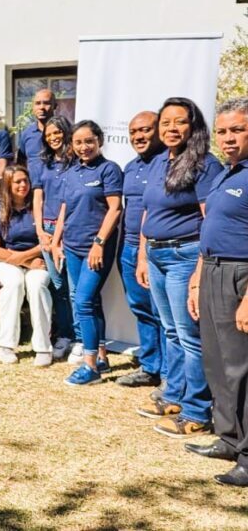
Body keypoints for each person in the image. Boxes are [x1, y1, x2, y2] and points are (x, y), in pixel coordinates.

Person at [136, 98, 221, 437]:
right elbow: (148, 212)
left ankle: (197, 411)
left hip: (184, 256)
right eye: (166, 122)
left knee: (189, 336)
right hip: (156, 254)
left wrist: (199, 273)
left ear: (193, 126)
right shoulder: (159, 161)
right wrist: (143, 256)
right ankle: (173, 395)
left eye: (180, 122)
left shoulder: (204, 165)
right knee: (170, 330)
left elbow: (210, 221)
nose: (172, 128)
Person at [188, 97, 248, 486]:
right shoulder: (226, 173)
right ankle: (228, 438)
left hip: (240, 277)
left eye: (237, 130)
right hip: (212, 270)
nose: (228, 138)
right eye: (222, 131)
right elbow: (209, 230)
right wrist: (197, 278)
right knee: (216, 362)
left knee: (240, 369)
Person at [51, 120, 123, 386]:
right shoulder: (71, 172)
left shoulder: (109, 169)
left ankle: (90, 366)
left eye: (89, 141)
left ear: (99, 141)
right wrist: (56, 242)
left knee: (82, 302)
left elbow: (115, 208)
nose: (84, 147)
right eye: (78, 142)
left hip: (96, 248)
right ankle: (101, 357)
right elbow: (64, 209)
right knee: (90, 301)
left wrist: (99, 243)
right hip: (72, 246)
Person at [115, 111, 166, 388]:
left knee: (164, 314)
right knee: (141, 309)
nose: (138, 136)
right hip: (129, 248)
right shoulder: (130, 167)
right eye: (133, 132)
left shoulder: (168, 162)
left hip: (157, 250)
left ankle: (170, 376)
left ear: (159, 131)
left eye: (145, 130)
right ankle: (150, 367)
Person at [0, 165, 53, 366]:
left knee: (37, 285)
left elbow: (47, 241)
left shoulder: (38, 207)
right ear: (7, 184)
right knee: (14, 284)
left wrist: (27, 258)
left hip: (38, 259)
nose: (23, 185)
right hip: (7, 260)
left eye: (26, 180)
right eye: (17, 182)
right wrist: (24, 260)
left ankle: (43, 346)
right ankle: (6, 345)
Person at [32, 116, 76, 360]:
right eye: (48, 135)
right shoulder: (44, 164)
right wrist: (40, 230)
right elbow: (38, 198)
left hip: (70, 228)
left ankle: (80, 338)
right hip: (47, 230)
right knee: (58, 286)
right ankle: (65, 334)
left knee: (74, 287)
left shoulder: (76, 163)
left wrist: (57, 238)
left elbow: (69, 202)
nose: (53, 138)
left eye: (57, 132)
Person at [17, 88, 58, 182]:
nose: (41, 107)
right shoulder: (27, 134)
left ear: (55, 106)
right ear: (33, 107)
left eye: (46, 103)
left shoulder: (64, 132)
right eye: (38, 103)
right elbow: (21, 163)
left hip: (57, 187)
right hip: (33, 187)